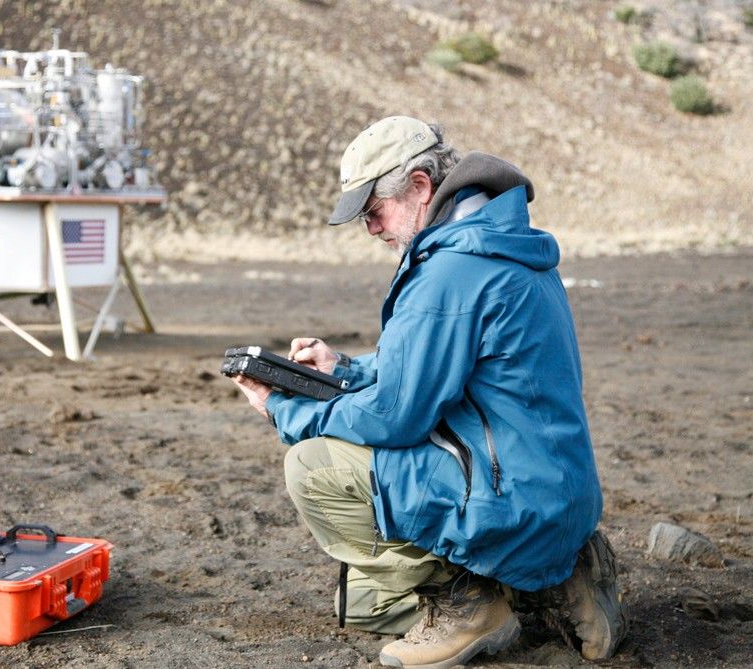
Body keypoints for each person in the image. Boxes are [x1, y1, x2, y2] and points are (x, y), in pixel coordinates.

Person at [232, 116, 628, 669]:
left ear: (420, 187)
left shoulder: (449, 273)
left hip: (511, 502)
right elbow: (428, 367)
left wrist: (285, 409)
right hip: (559, 498)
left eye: (373, 212)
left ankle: (469, 608)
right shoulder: (501, 247)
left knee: (313, 467)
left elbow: (397, 416)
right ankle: (564, 572)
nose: (371, 230)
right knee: (364, 600)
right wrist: (341, 369)